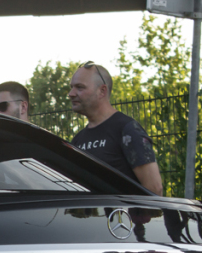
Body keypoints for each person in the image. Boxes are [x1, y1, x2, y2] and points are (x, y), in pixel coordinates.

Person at [68, 62, 163, 195]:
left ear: (102, 91)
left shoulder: (127, 130)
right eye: (71, 87)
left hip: (122, 215)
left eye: (80, 87)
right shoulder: (78, 139)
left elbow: (154, 189)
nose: (71, 94)